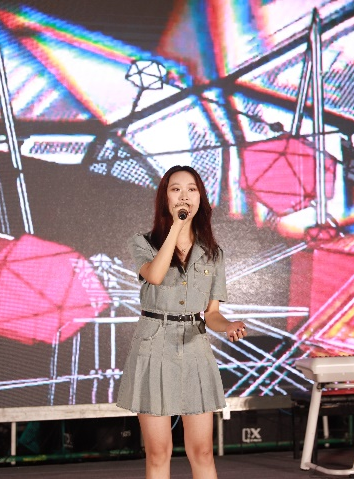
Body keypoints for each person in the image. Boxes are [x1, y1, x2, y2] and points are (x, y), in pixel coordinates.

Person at [116, 165, 247, 479]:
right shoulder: (143, 243)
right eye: (176, 189)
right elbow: (155, 275)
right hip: (153, 346)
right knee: (158, 452)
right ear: (165, 198)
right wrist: (176, 226)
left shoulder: (213, 254)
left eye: (191, 189)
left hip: (194, 347)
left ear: (200, 198)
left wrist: (228, 325)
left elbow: (211, 314)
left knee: (202, 451)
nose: (184, 196)